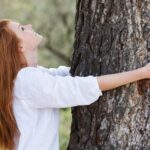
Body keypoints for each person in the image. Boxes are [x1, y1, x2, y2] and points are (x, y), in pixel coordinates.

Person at [0, 19, 149, 150]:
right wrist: (141, 73)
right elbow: (81, 87)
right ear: (19, 47)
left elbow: (66, 76)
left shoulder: (29, 76)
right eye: (22, 29)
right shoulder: (26, 80)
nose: (29, 25)